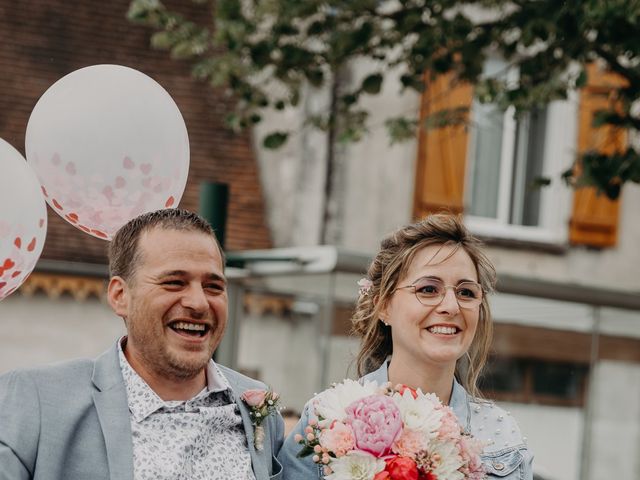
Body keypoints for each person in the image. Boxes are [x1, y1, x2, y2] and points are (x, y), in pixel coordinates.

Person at [0, 208, 284, 480]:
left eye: (214, 287)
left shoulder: (258, 408)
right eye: (174, 282)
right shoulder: (35, 400)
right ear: (120, 295)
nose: (199, 303)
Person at [278, 214, 533, 479]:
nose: (451, 306)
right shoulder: (325, 419)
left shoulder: (503, 437)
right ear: (383, 305)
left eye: (466, 292)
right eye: (428, 289)